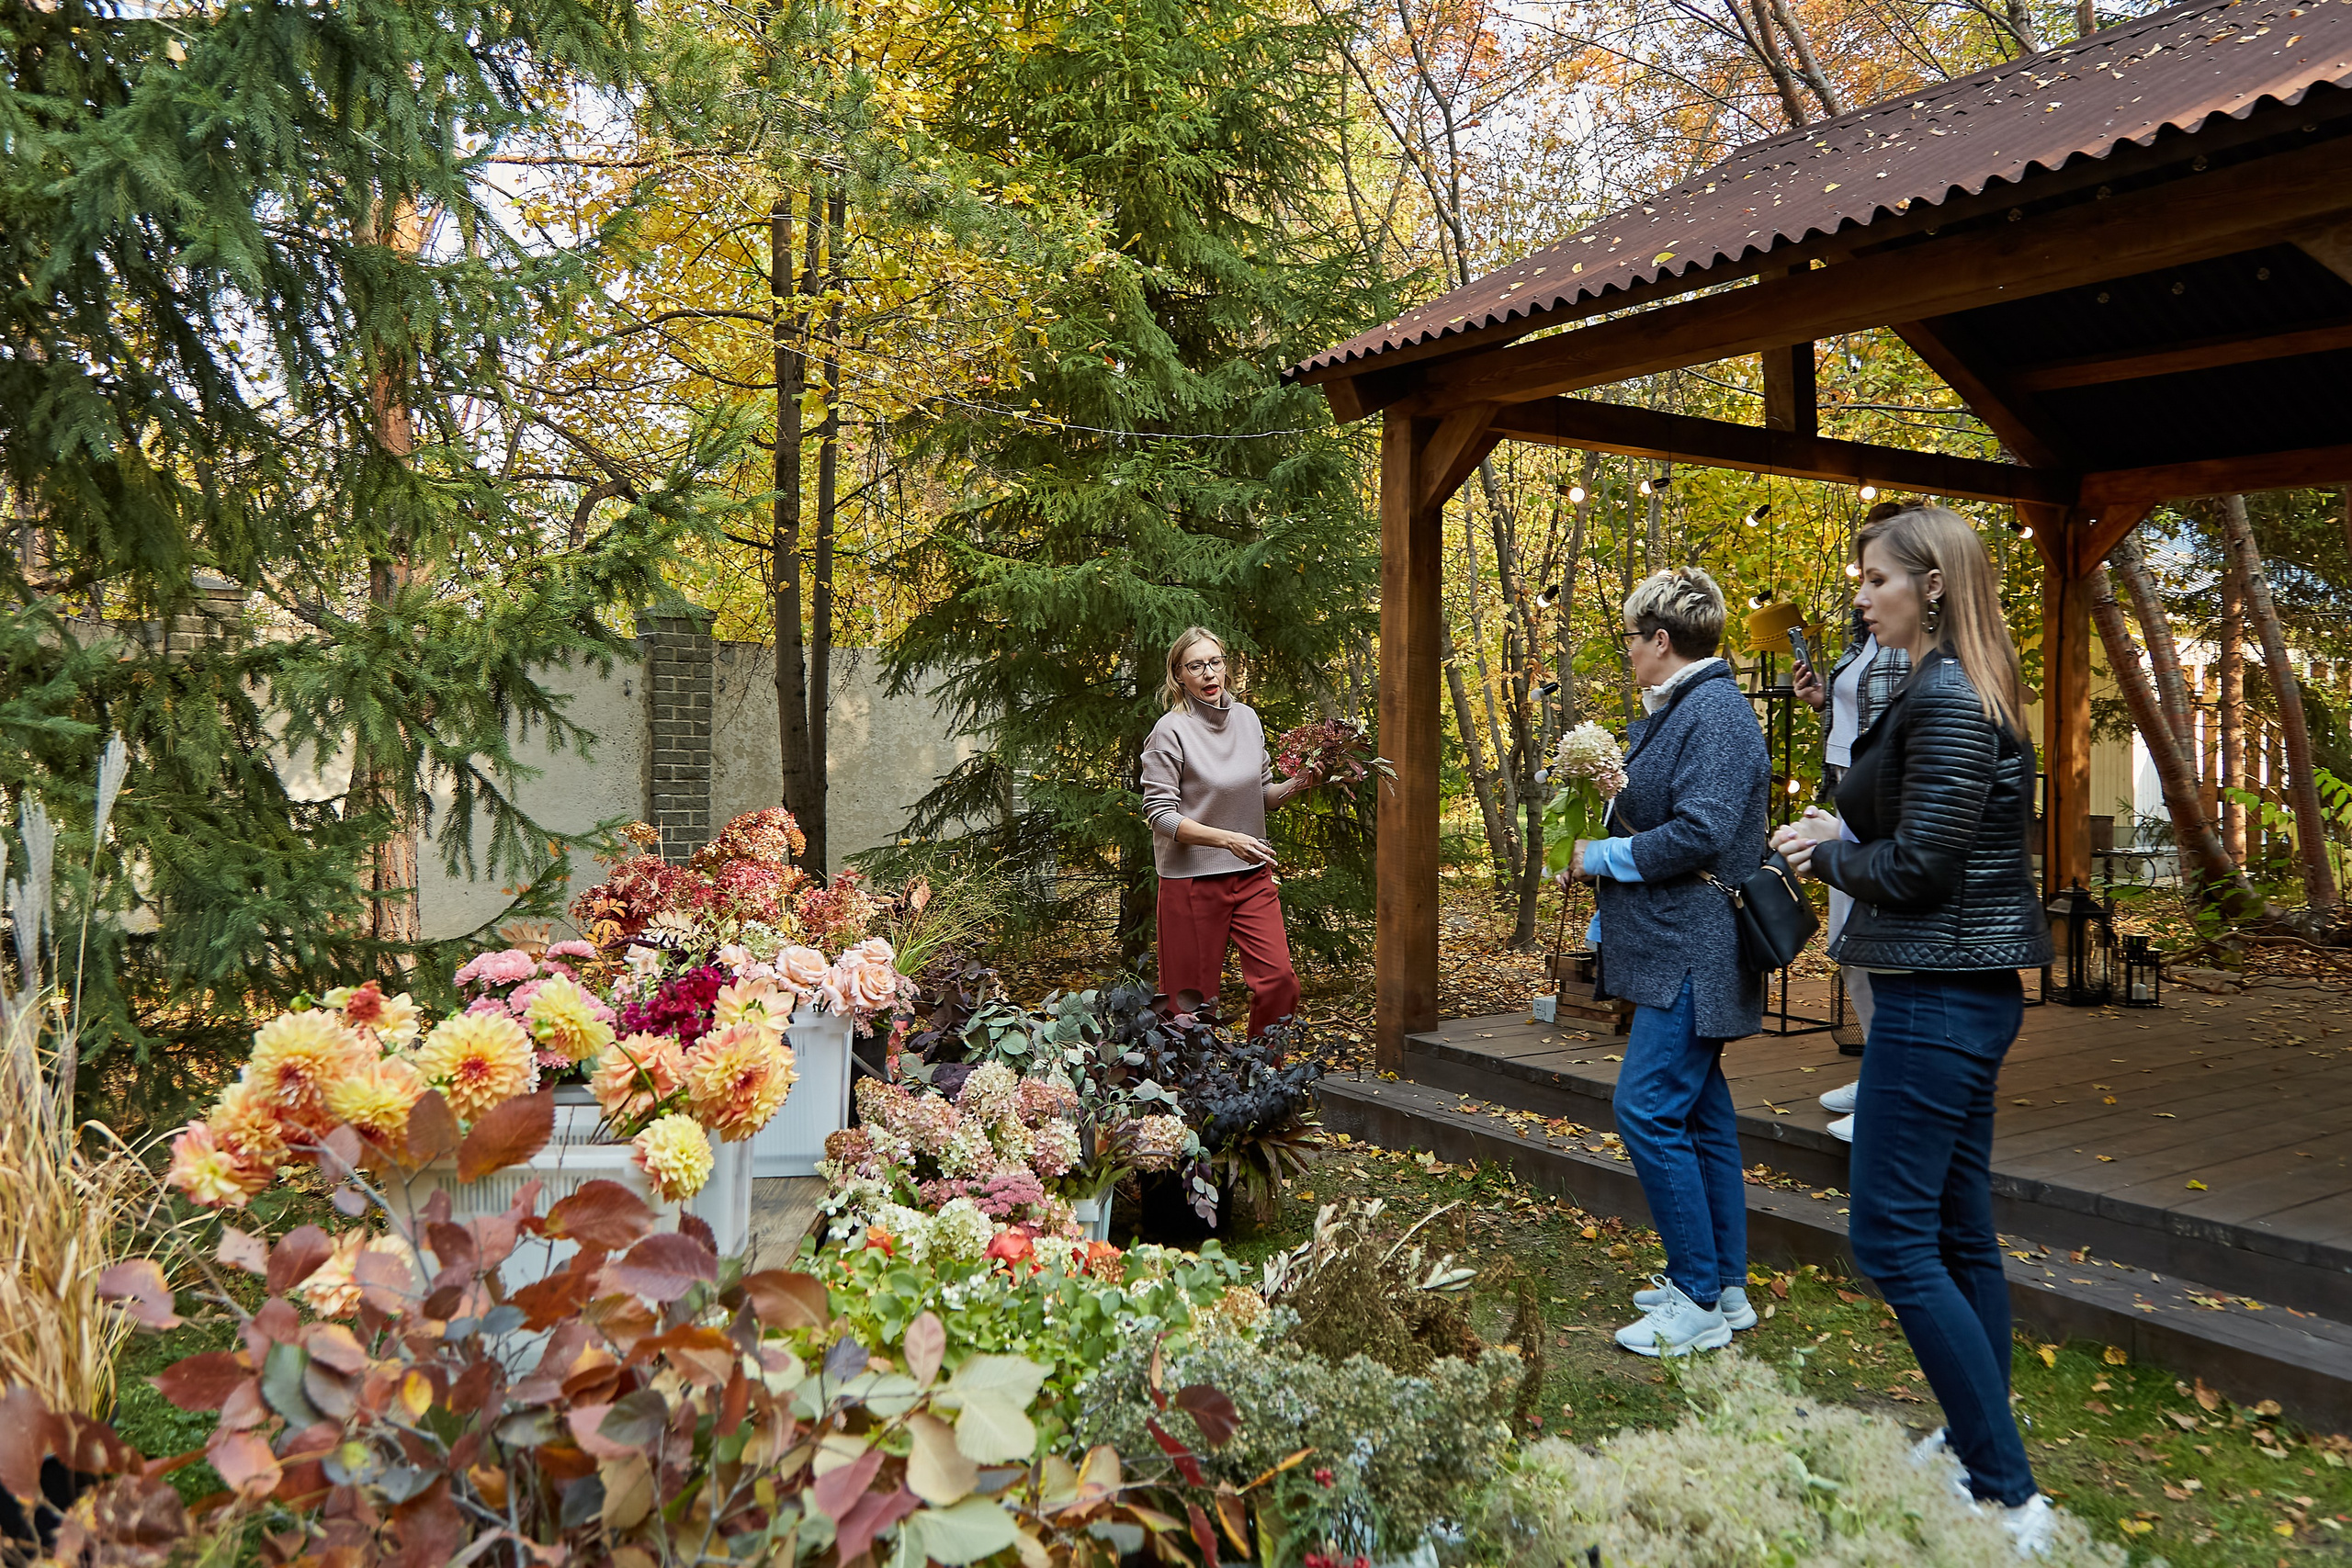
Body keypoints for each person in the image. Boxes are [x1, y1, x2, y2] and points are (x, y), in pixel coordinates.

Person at [1770, 504, 2059, 1557]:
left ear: (1932, 584)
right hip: (1955, 990)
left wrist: (1825, 856)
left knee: (1890, 1236)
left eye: (1876, 579)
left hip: (1938, 995)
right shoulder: (1947, 686)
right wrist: (1844, 826)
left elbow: (1923, 867)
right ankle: (1976, 1446)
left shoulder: (1946, 696)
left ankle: (2009, 1497)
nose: (1861, 597)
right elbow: (1922, 828)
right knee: (1956, 1233)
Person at [1569, 568, 1770, 1358]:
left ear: (1661, 639)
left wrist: (1605, 855)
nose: (1627, 650)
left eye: (1631, 637)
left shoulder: (1714, 712)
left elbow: (1702, 831)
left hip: (1696, 948)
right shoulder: (1684, 708)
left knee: (1647, 1107)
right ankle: (1724, 1285)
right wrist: (1613, 799)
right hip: (1672, 943)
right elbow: (1668, 809)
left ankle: (1696, 1299)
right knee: (1700, 1114)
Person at [1139, 627, 1321, 1037]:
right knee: (1188, 1003)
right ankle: (1187, 1077)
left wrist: (1302, 781)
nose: (1208, 673)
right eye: (1195, 666)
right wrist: (1227, 839)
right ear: (1178, 674)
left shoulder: (1247, 719)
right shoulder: (1169, 731)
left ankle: (1263, 1069)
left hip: (1252, 874)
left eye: (1215, 662)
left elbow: (1264, 793)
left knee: (1279, 983)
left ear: (1226, 666)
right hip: (1192, 882)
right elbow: (1160, 815)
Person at [1792, 583, 1911, 1142]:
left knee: (1879, 949)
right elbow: (1854, 717)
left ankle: (1896, 1093)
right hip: (1848, 798)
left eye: (1877, 579)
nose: (1862, 594)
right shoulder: (1861, 640)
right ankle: (1879, 1072)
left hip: (1884, 808)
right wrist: (1822, 699)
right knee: (1848, 948)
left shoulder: (1917, 649)